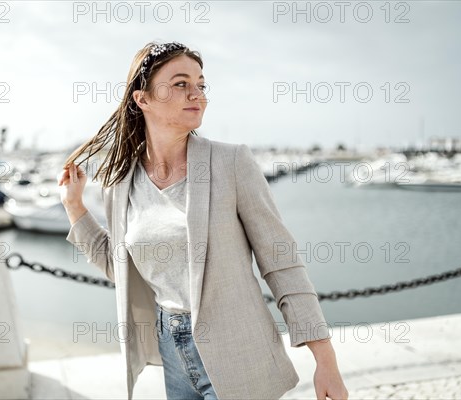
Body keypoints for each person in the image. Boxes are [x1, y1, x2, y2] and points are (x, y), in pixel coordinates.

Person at [58, 41, 348, 400]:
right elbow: (122, 269)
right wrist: (75, 207)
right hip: (172, 350)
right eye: (181, 84)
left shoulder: (231, 163)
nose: (197, 94)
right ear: (142, 99)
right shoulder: (121, 183)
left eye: (201, 84)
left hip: (238, 352)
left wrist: (326, 359)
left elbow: (281, 263)